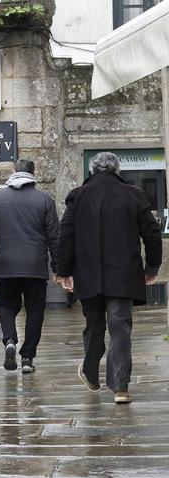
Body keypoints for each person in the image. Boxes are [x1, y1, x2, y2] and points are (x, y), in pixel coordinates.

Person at [57, 152, 162, 404]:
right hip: (124, 274)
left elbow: (66, 235)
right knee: (120, 328)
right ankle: (120, 387)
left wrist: (63, 271)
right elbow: (152, 234)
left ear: (93, 170)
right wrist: (152, 267)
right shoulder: (134, 195)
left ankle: (91, 373)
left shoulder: (78, 196)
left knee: (93, 325)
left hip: (88, 273)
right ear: (118, 170)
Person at [0, 159, 59, 374]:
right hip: (35, 266)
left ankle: (10, 340)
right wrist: (60, 268)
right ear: (34, 173)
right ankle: (28, 357)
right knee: (35, 311)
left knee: (6, 306)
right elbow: (54, 237)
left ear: (13, 172)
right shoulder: (44, 200)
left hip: (6, 265)